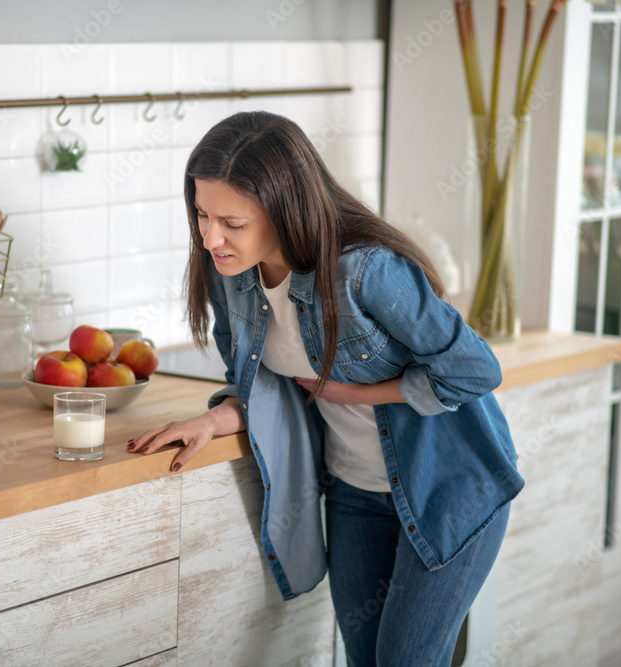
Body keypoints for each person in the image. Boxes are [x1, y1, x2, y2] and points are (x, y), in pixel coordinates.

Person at [128, 111, 524, 666]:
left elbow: (476, 370)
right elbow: (259, 382)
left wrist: (359, 394)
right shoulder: (228, 274)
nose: (210, 237)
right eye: (201, 214)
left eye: (232, 222)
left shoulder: (364, 271)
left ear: (284, 209)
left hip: (449, 488)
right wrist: (216, 418)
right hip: (353, 491)